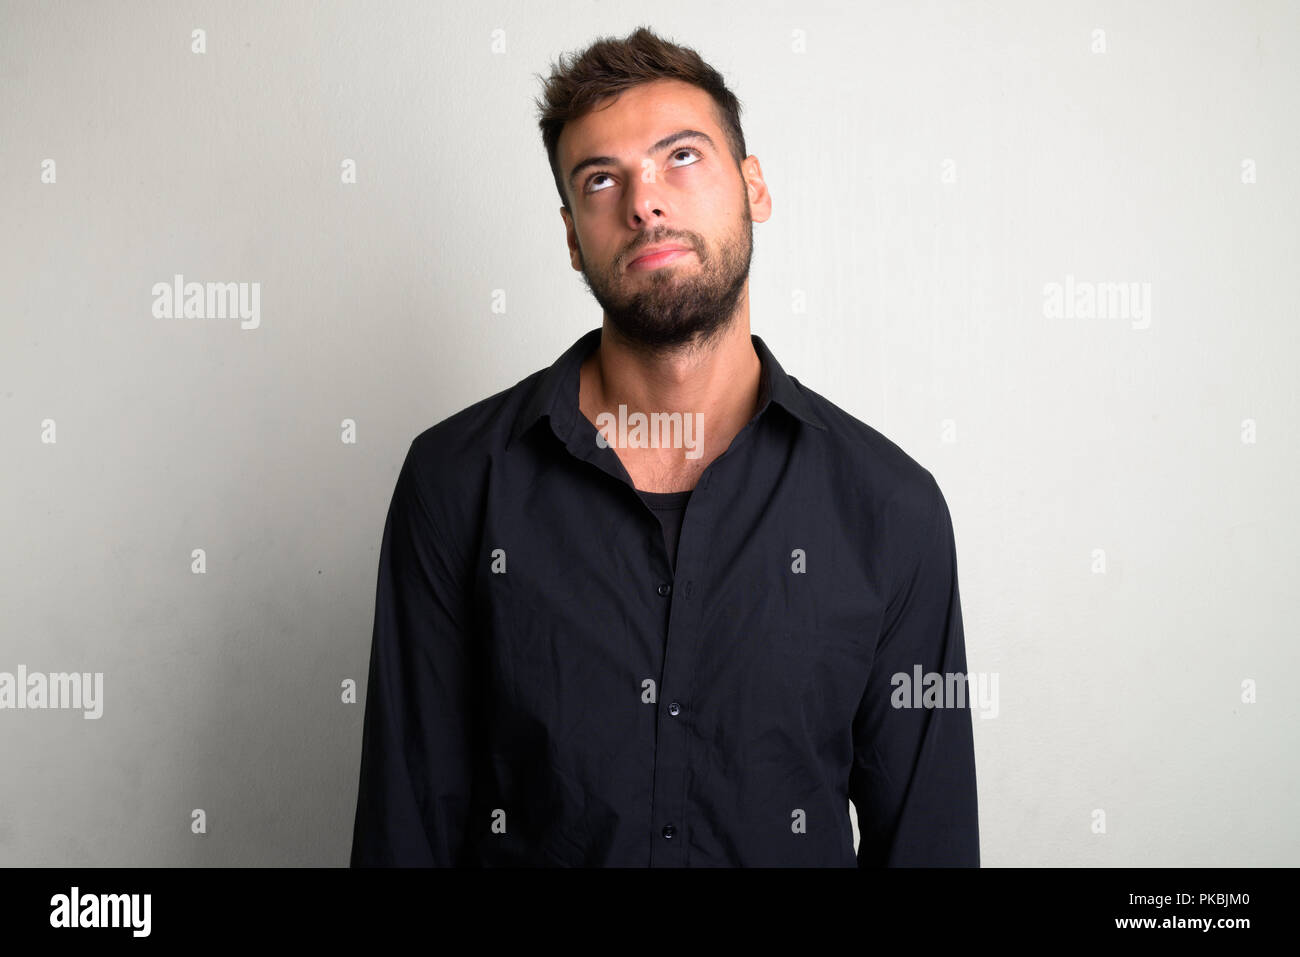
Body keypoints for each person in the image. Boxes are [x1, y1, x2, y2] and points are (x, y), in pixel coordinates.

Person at [349, 25, 978, 867]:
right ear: (573, 235)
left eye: (681, 157)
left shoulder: (890, 508)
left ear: (754, 187)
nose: (644, 201)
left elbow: (929, 845)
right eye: (602, 179)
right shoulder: (456, 482)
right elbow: (405, 829)